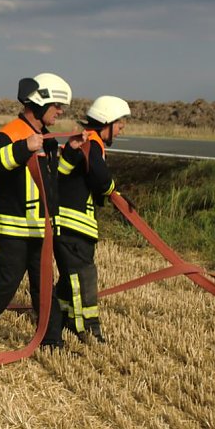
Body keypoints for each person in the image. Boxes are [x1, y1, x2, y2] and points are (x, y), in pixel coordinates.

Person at [0, 73, 85, 360]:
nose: (61, 112)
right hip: (14, 228)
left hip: (40, 228)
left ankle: (52, 341)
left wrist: (71, 153)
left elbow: (54, 178)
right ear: (40, 103)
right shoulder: (9, 134)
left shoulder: (47, 141)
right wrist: (24, 148)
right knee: (6, 285)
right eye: (57, 105)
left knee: (43, 285)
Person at [55, 95, 130, 344]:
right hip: (74, 226)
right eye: (119, 124)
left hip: (67, 224)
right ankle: (87, 328)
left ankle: (60, 318)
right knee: (83, 276)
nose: (121, 129)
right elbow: (101, 178)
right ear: (107, 121)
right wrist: (114, 193)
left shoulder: (86, 143)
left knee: (70, 278)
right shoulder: (92, 144)